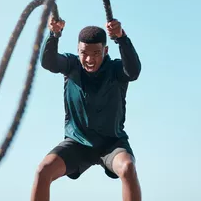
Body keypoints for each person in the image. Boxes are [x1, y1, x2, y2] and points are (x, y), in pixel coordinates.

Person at [30, 15, 142, 201]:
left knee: (128, 167)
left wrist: (121, 38)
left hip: (111, 143)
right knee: (43, 170)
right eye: (84, 53)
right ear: (78, 50)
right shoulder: (72, 65)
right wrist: (54, 33)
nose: (89, 59)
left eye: (96, 53)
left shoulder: (115, 70)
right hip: (77, 142)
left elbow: (134, 70)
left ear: (105, 50)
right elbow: (48, 62)